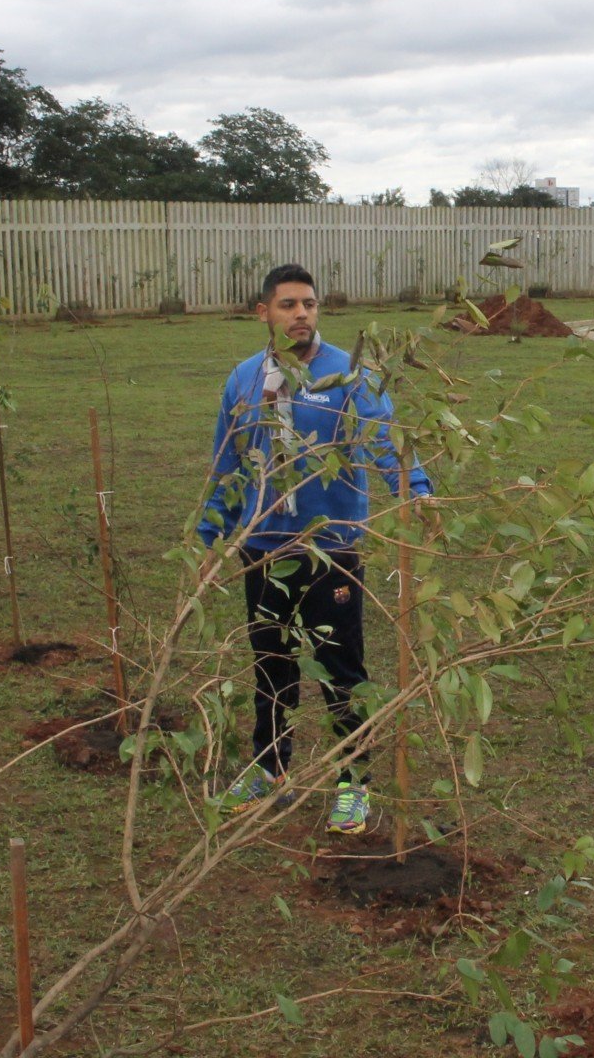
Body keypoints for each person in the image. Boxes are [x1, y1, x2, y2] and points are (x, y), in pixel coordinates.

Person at [198, 263, 432, 835]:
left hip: (333, 547)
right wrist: (209, 536)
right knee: (271, 664)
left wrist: (416, 492)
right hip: (265, 546)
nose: (301, 314)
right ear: (264, 313)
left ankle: (353, 782)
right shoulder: (244, 380)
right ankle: (269, 768)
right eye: (288, 305)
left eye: (308, 304)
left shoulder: (350, 375)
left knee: (341, 669)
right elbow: (228, 465)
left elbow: (382, 440)